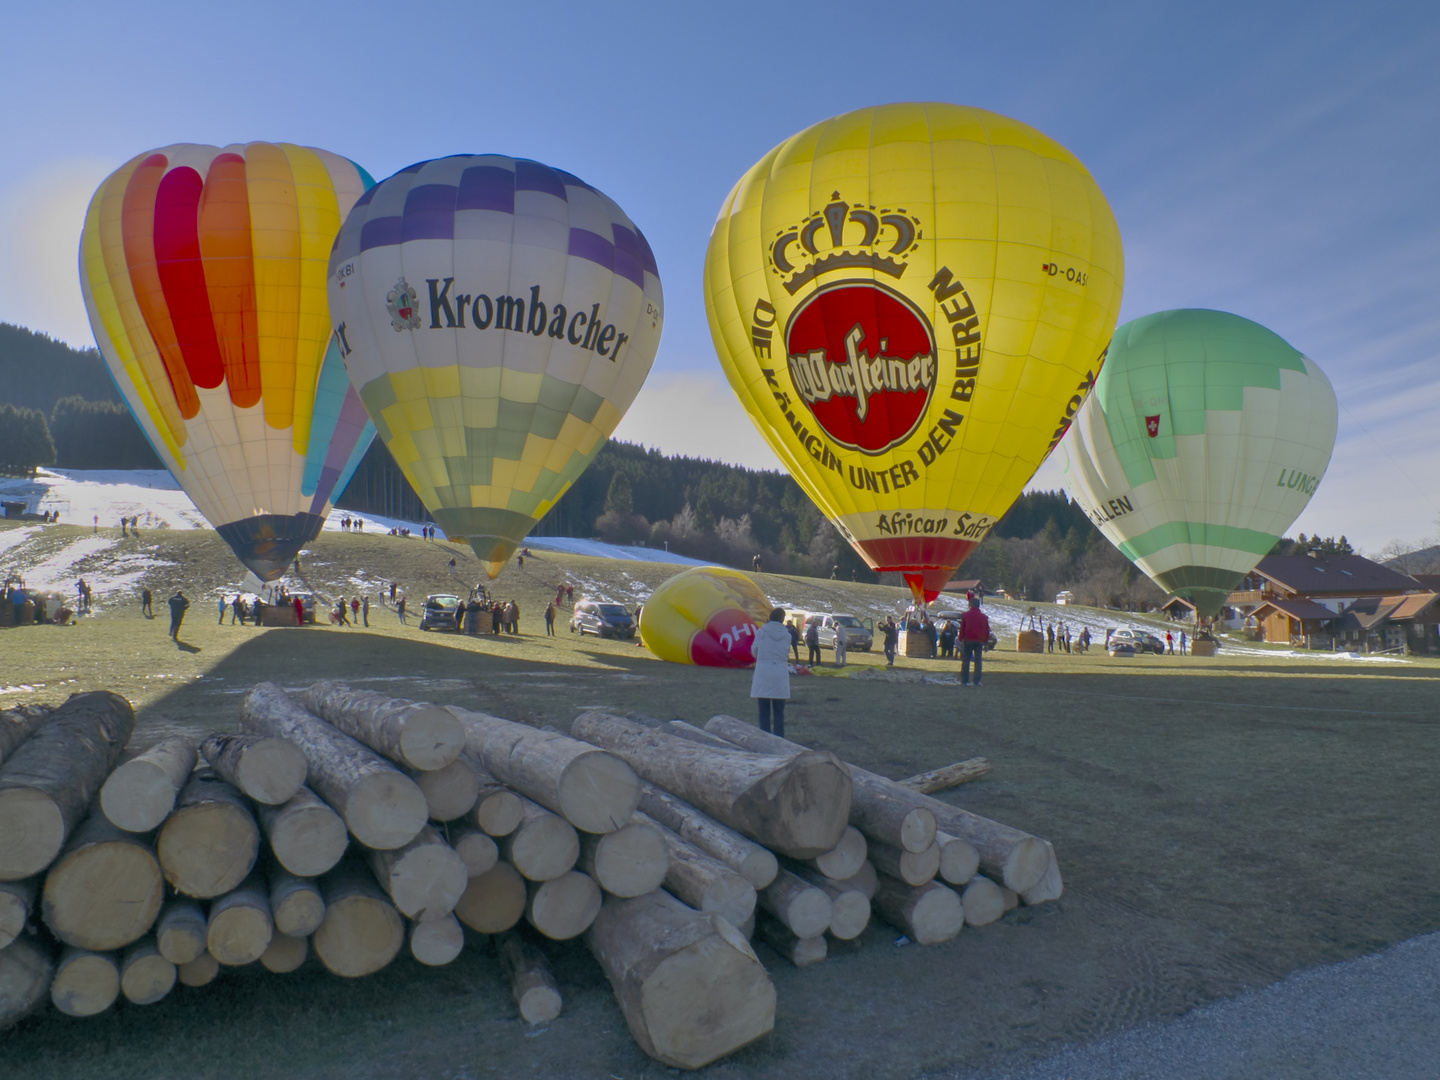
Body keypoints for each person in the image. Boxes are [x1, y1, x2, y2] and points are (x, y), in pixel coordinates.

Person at [751, 608, 792, 737]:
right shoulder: (787, 635)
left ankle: (765, 738)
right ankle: (780, 739)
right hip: (780, 673)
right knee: (779, 712)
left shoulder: (762, 632)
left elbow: (754, 651)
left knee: (764, 711)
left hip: (763, 672)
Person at [959, 596, 990, 686]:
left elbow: (962, 628)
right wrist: (986, 641)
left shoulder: (965, 615)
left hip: (968, 640)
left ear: (970, 605)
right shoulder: (984, 617)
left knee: (966, 661)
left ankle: (965, 680)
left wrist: (961, 638)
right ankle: (976, 681)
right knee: (978, 661)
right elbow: (987, 630)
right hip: (979, 641)